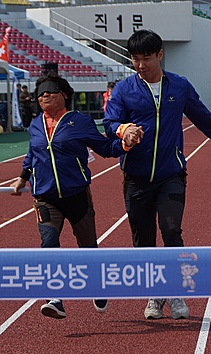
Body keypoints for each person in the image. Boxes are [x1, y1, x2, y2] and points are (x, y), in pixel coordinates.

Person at [103, 29, 211, 320]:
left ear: (160, 55)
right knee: (143, 239)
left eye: (147, 58)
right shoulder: (124, 89)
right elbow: (110, 121)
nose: (141, 65)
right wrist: (124, 129)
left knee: (171, 230)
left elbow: (200, 114)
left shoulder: (178, 85)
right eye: (135, 59)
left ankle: (175, 291)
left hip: (171, 174)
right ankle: (155, 294)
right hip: (136, 176)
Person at [10, 72, 140, 320]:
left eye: (50, 91)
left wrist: (125, 143)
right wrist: (22, 177)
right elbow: (32, 154)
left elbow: (104, 148)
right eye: (40, 93)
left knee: (88, 246)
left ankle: (96, 285)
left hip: (77, 194)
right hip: (45, 197)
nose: (44, 95)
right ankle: (55, 297)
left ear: (64, 95)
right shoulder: (35, 124)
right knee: (49, 245)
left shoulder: (79, 121)